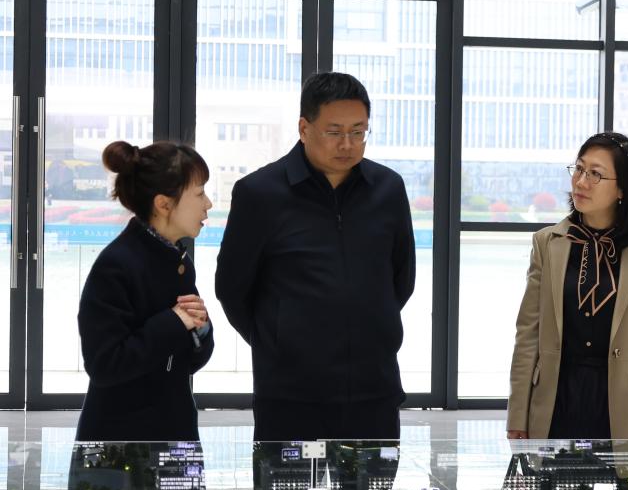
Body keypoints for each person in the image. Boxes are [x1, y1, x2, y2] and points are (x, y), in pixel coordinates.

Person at [216, 71, 416, 442]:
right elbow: (232, 288)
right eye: (334, 131)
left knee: (371, 484)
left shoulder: (388, 189)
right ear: (304, 128)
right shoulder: (260, 193)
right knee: (286, 484)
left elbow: (401, 280)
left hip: (374, 390)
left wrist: (372, 326)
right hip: (290, 396)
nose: (347, 144)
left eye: (358, 131)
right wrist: (279, 341)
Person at [506, 132, 628, 482]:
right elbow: (528, 336)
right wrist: (517, 415)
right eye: (579, 169)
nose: (581, 182)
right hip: (556, 399)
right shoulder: (548, 243)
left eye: (595, 174)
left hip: (621, 407)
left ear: (622, 189)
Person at [76, 141, 214, 442]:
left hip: (174, 429)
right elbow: (104, 365)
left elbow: (185, 362)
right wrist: (175, 322)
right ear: (163, 204)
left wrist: (200, 329)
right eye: (199, 193)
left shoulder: (177, 260)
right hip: (121, 440)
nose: (208, 204)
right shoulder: (115, 265)